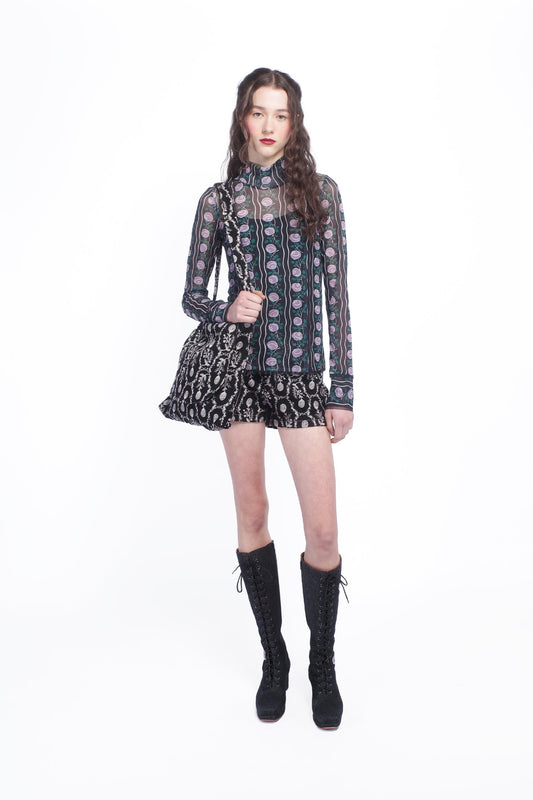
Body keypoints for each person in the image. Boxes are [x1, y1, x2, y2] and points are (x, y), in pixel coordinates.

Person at [181, 68, 354, 729]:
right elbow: (191, 294)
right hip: (240, 376)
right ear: (242, 118)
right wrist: (225, 307)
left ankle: (321, 663)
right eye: (259, 112)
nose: (269, 125)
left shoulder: (321, 195)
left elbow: (336, 298)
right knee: (252, 513)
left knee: (323, 531)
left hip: (302, 375)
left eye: (281, 114)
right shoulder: (219, 201)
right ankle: (274, 659)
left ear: (294, 122)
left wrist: (341, 389)